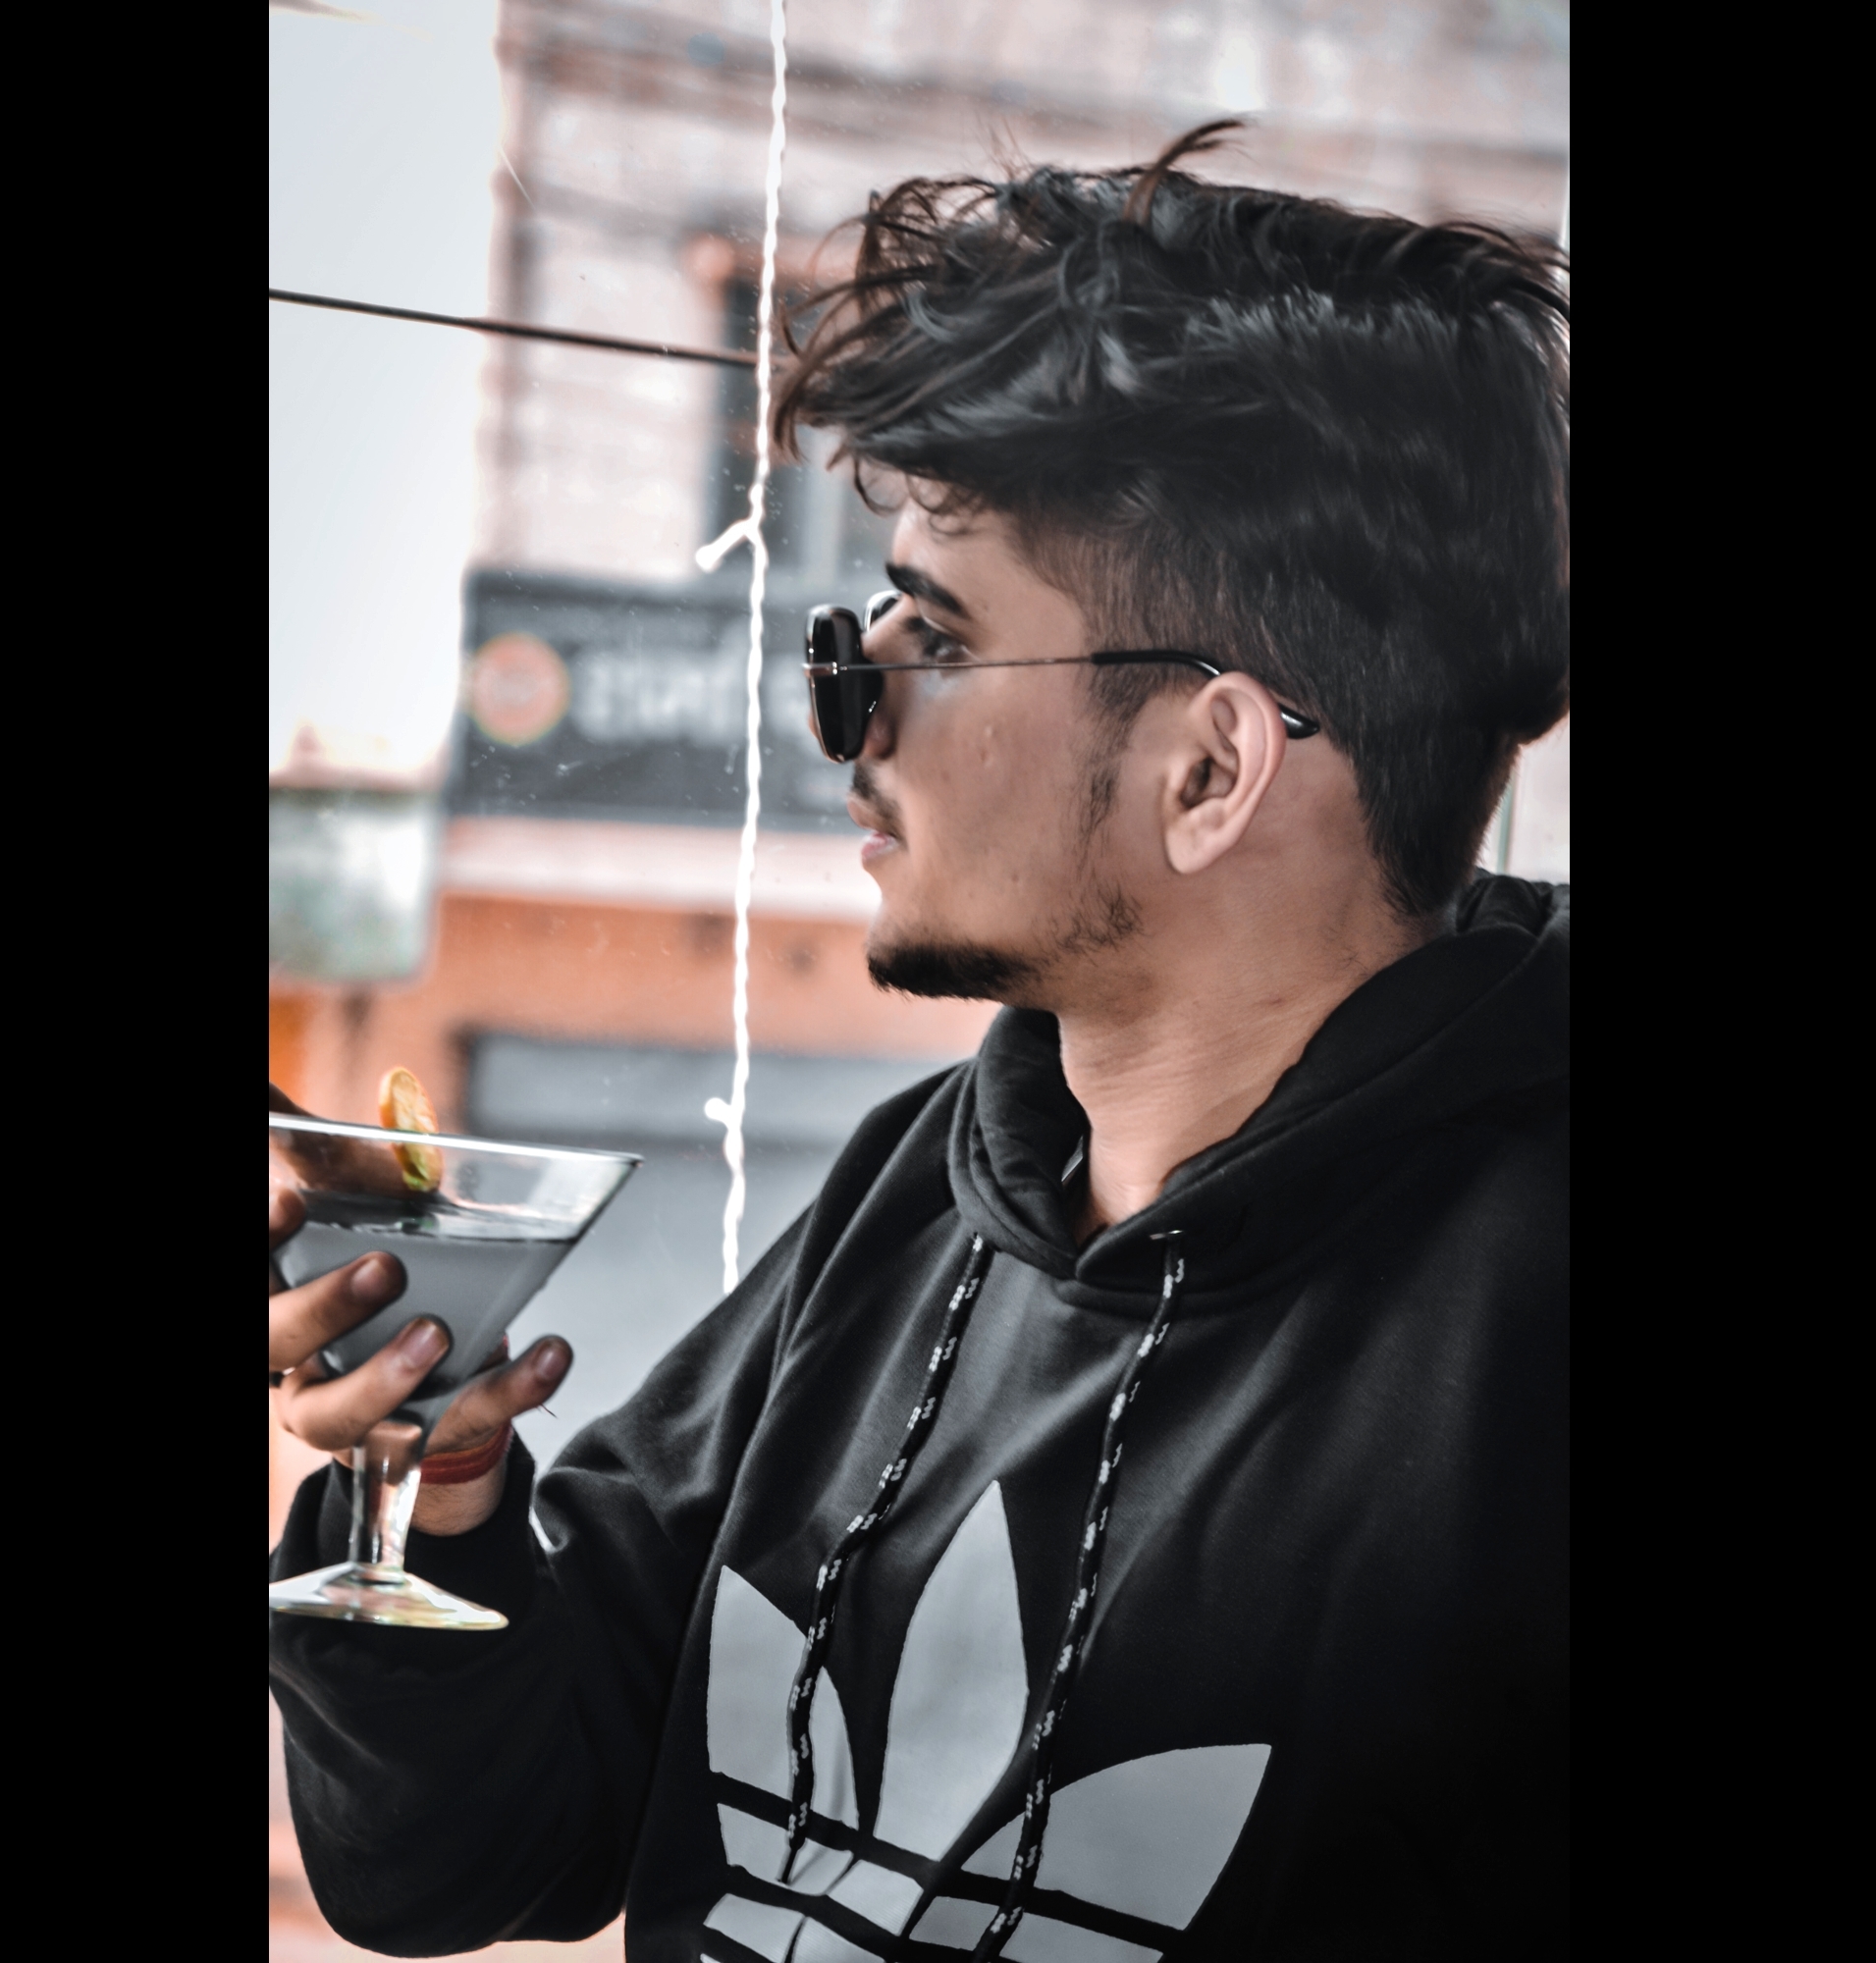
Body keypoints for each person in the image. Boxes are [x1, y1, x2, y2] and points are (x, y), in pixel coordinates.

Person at [270, 124, 1570, 1961]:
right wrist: (449, 1492)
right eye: (858, 621)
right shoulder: (916, 1194)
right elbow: (473, 1860)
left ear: (1210, 768)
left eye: (933, 644)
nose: (844, 706)